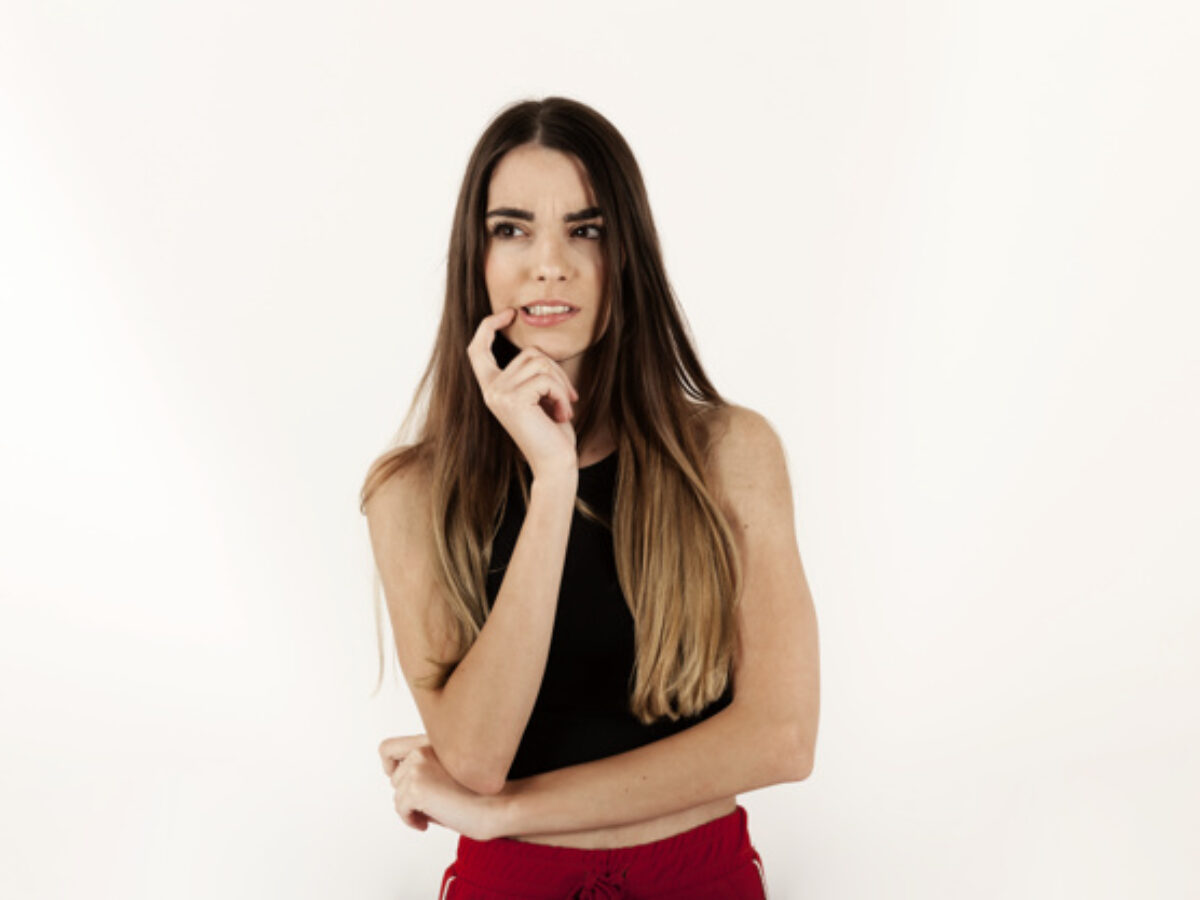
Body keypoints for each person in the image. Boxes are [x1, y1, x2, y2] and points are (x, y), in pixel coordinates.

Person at [359, 96, 820, 900]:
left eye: (587, 230)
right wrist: (554, 482)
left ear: (627, 254)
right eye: (512, 229)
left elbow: (782, 738)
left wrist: (504, 813)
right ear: (475, 258)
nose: (550, 264)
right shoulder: (410, 494)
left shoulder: (730, 453)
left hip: (697, 878)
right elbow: (476, 759)